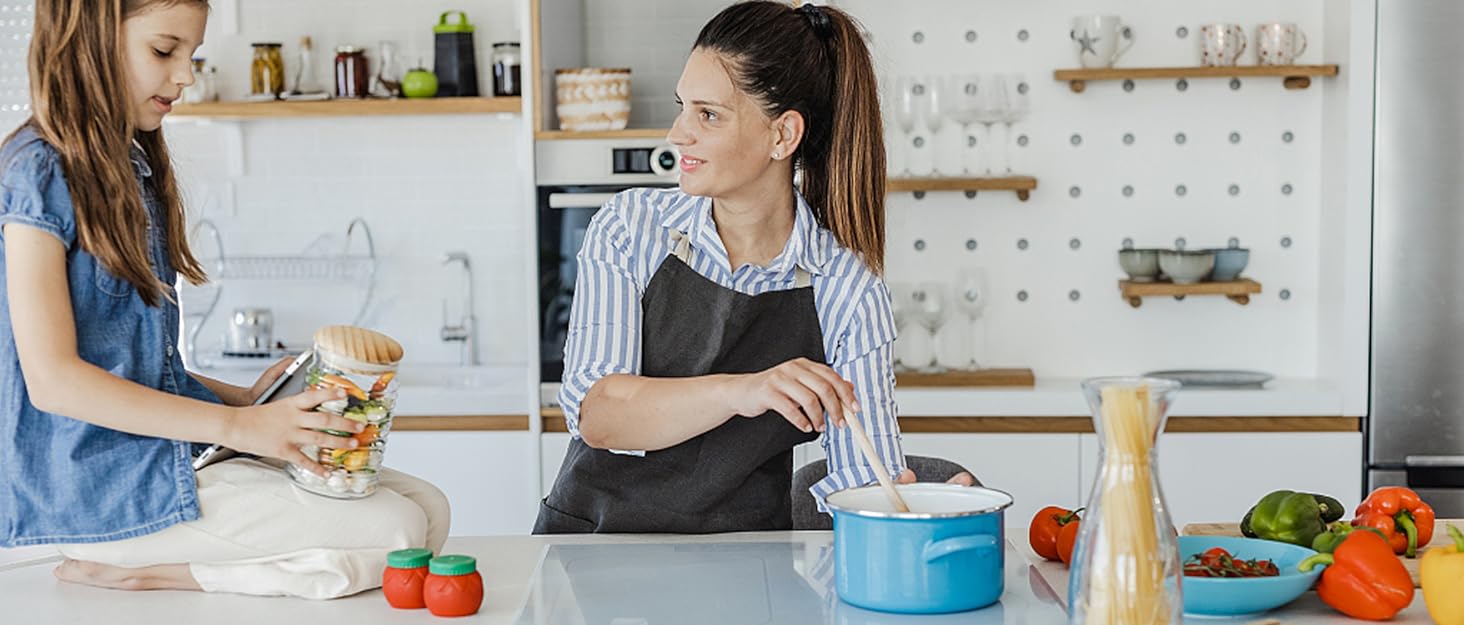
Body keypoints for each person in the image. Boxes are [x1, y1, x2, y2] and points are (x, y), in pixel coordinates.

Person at [0, 0, 447, 598]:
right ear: (90, 37)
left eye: (192, 55)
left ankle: (190, 568)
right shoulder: (36, 172)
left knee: (428, 508)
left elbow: (144, 373)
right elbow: (55, 382)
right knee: (397, 530)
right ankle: (158, 571)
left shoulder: (131, 169)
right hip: (100, 489)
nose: (184, 75)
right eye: (164, 51)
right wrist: (241, 425)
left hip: (158, 462)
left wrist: (254, 403)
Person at [535, 1, 972, 535]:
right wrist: (745, 391)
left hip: (745, 564)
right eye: (683, 106)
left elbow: (863, 473)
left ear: (782, 135)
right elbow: (598, 415)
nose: (677, 133)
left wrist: (919, 510)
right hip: (591, 552)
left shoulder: (846, 288)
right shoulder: (632, 228)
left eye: (708, 114)